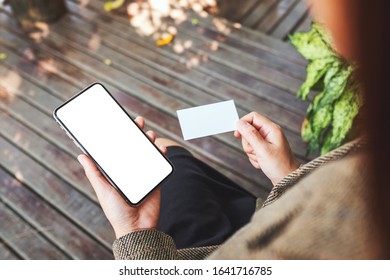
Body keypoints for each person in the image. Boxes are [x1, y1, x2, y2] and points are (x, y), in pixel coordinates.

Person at [77, 0, 390, 259]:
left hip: (221, 248)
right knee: (174, 156)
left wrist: (134, 234)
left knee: (171, 154)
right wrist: (288, 173)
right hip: (263, 216)